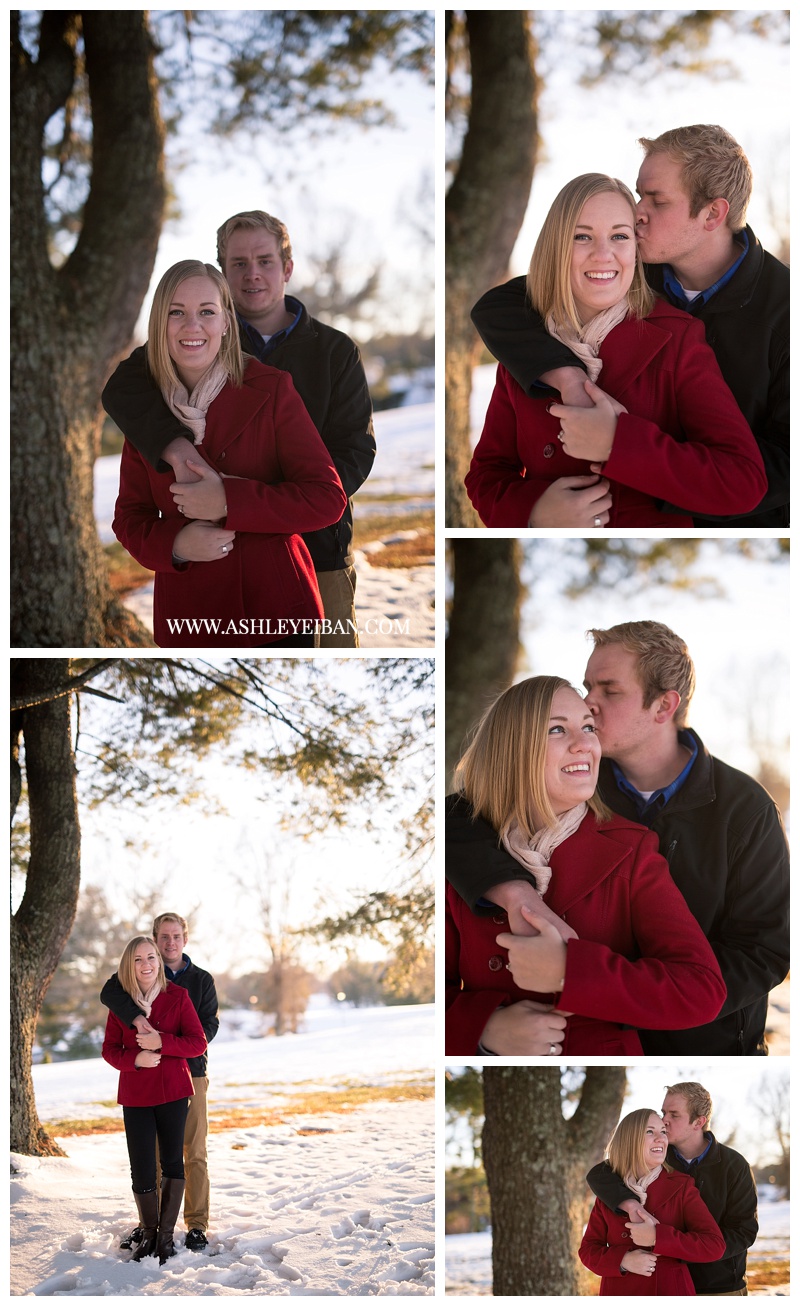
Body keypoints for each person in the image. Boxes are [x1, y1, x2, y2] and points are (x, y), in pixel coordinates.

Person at [446, 621, 790, 1055]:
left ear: (663, 706)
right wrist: (515, 893)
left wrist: (601, 987)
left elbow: (764, 950)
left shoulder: (744, 809)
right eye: (588, 685)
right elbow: (463, 812)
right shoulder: (572, 784)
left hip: (699, 1041)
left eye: (609, 690)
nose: (589, 702)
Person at [471, 125, 788, 528]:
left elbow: (770, 470)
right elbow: (505, 302)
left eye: (655, 200)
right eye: (639, 195)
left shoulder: (778, 313)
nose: (637, 212)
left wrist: (621, 447)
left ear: (713, 213)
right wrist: (533, 511)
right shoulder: (630, 267)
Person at [103, 210, 375, 647]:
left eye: (265, 261)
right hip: (192, 607)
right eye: (238, 264)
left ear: (287, 268)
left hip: (308, 557)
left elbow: (350, 456)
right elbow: (130, 513)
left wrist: (243, 504)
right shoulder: (153, 391)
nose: (252, 275)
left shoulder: (330, 352)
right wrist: (176, 539)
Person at [102, 913, 219, 1255]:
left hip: (189, 1072)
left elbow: (205, 1030)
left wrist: (167, 1045)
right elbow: (110, 993)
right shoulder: (138, 971)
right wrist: (137, 1022)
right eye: (163, 937)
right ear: (154, 939)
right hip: (145, 1079)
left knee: (192, 1151)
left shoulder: (198, 982)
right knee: (149, 1155)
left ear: (185, 939)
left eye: (176, 936)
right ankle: (150, 1225)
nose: (169, 943)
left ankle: (196, 1224)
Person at [587, 1082, 758, 1296]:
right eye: (663, 1112)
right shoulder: (654, 1157)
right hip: (661, 1284)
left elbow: (743, 1231)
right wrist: (629, 1204)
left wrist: (673, 1246)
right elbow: (599, 1174)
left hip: (718, 1284)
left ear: (698, 1122)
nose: (664, 1120)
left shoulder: (734, 1165)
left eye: (674, 1115)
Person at [579, 1108, 726, 1295]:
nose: (661, 1138)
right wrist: (623, 1261)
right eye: (650, 1131)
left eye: (663, 1131)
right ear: (629, 1140)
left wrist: (658, 1236)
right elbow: (588, 1251)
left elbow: (713, 1245)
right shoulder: (609, 1192)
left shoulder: (682, 1186)